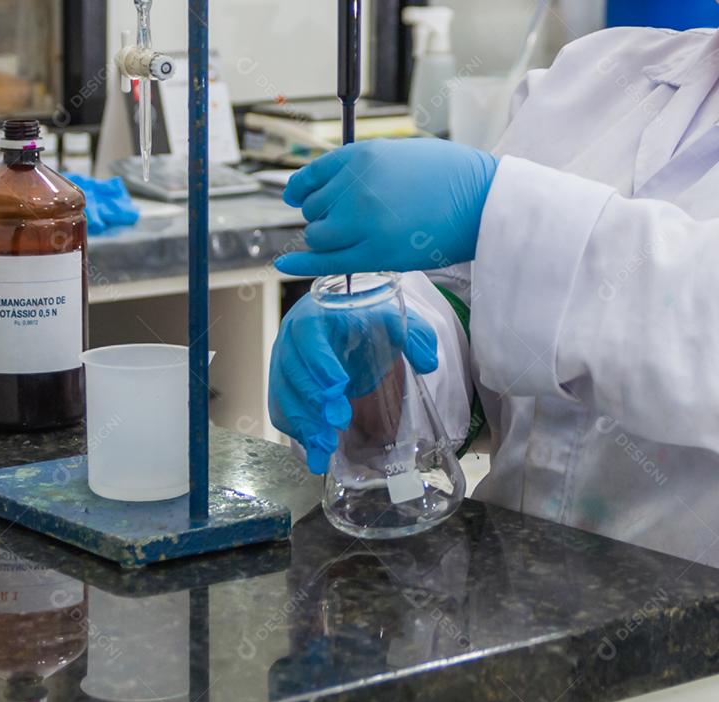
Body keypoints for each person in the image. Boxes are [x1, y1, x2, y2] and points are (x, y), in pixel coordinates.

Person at [270, 24, 719, 568]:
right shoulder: (594, 74)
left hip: (685, 633)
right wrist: (380, 358)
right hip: (501, 604)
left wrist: (498, 211)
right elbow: (482, 312)